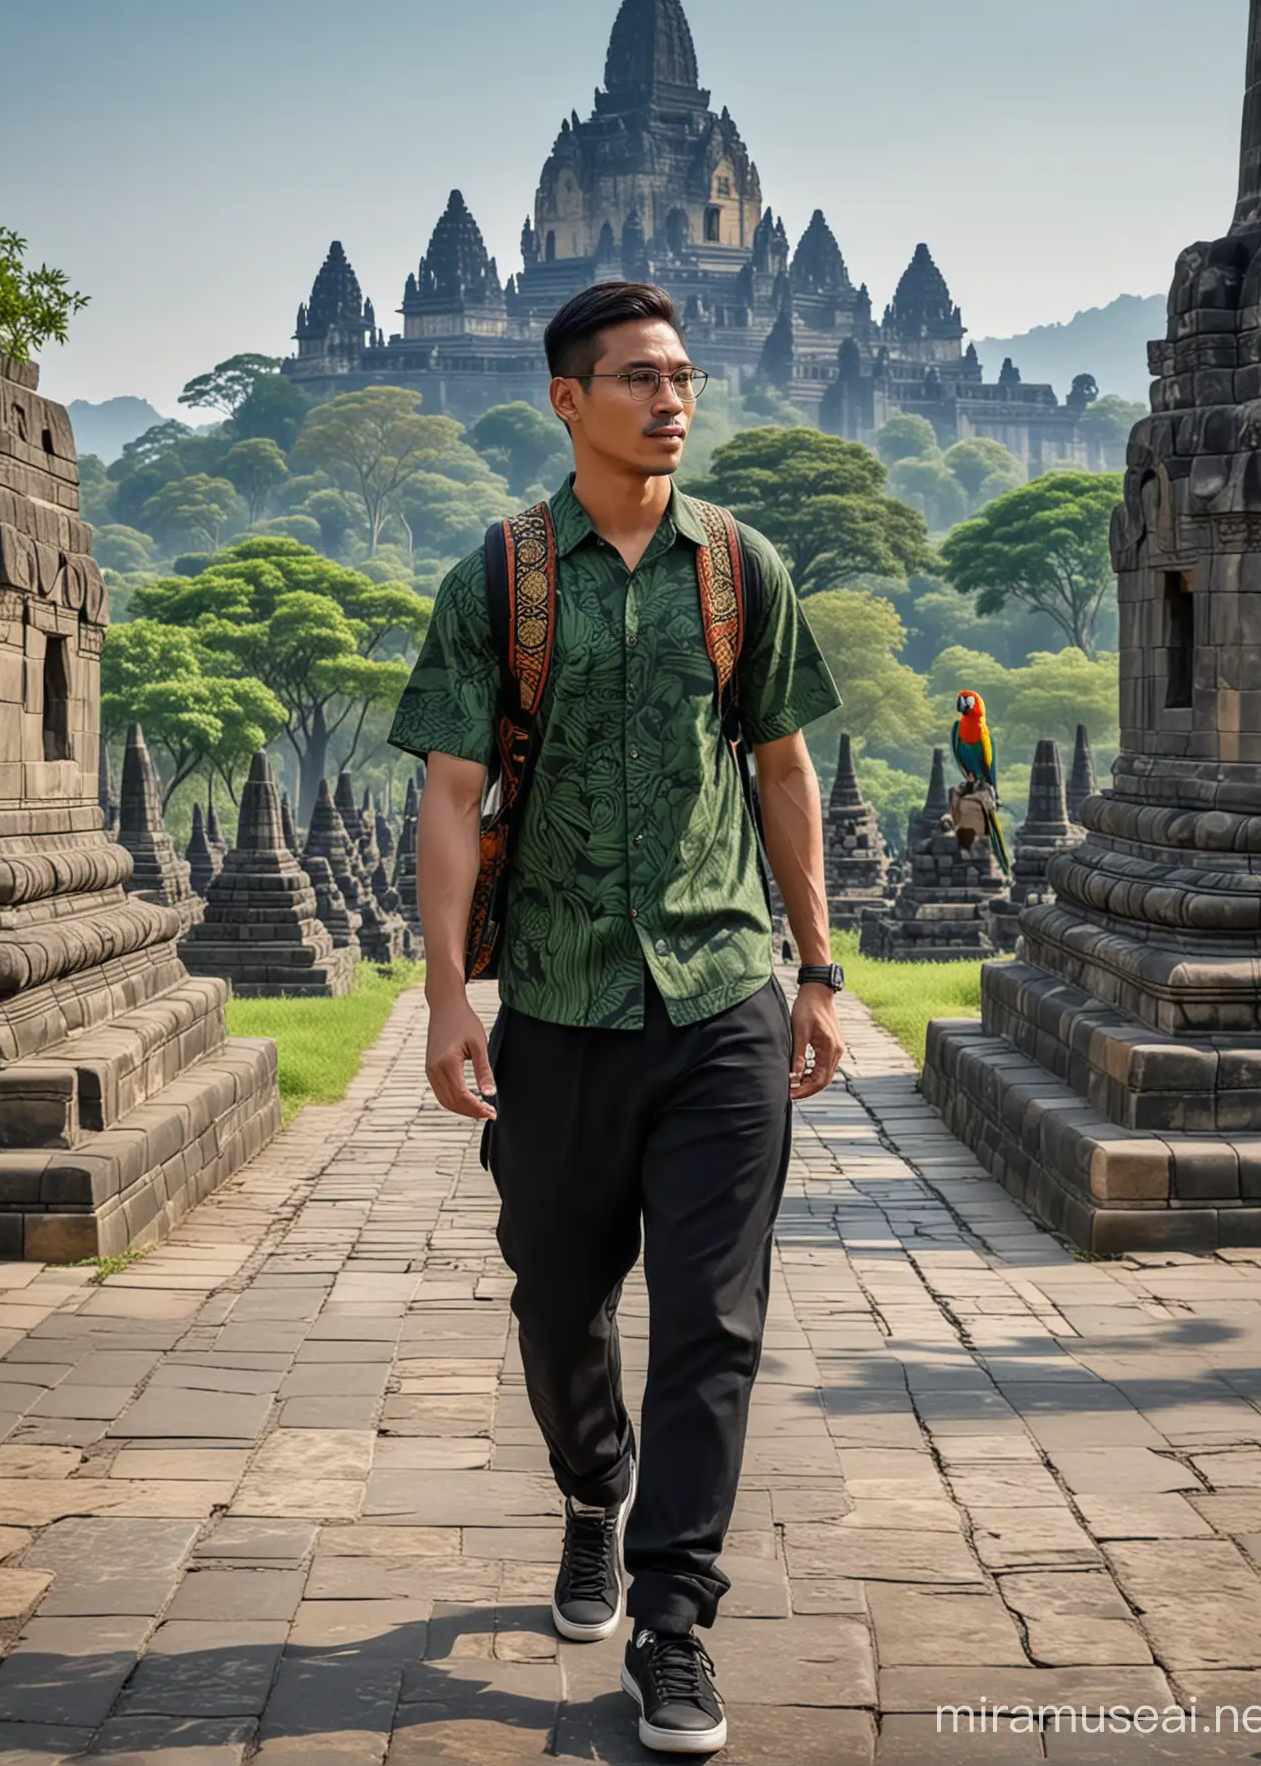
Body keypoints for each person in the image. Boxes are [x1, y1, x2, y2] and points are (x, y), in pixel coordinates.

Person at [388, 280, 845, 1756]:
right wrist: (452, 992)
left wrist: (820, 969)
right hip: (566, 1003)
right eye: (640, 378)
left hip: (721, 997)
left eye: (685, 376)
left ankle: (675, 1619)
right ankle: (595, 1487)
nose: (673, 399)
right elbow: (452, 790)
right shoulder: (504, 578)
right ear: (567, 399)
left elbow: (783, 770)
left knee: (713, 1322)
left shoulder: (741, 568)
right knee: (552, 1296)